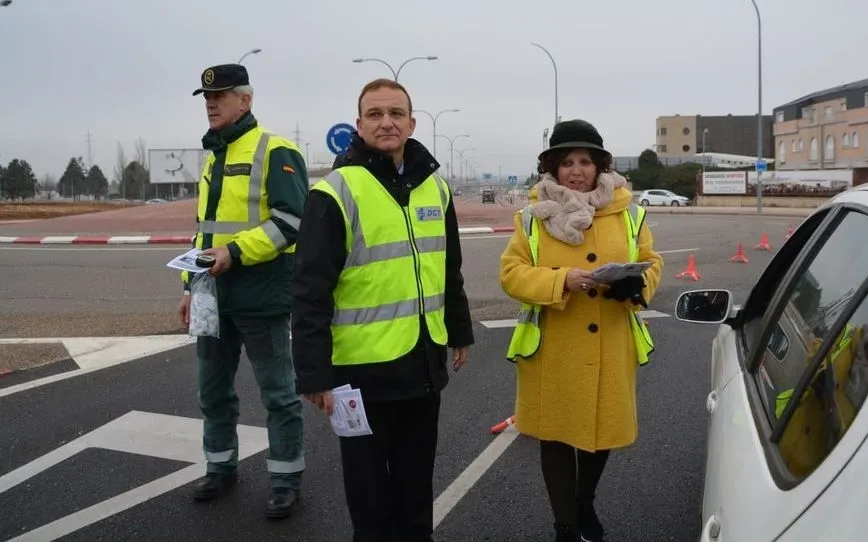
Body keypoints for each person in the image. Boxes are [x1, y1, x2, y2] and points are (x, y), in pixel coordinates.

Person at [290, 78, 475, 542]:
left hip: (422, 367)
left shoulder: (436, 188)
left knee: (415, 497)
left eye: (396, 113)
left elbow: (448, 268)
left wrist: (459, 330)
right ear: (359, 125)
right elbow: (309, 290)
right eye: (375, 114)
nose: (386, 122)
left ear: (411, 123)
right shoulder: (335, 192)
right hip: (360, 378)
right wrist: (313, 373)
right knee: (370, 504)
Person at [500, 119, 664, 542]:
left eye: (586, 162)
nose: (576, 171)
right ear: (553, 167)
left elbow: (652, 261)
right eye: (567, 162)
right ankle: (566, 527)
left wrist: (636, 284)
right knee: (555, 436)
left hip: (611, 341)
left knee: (601, 431)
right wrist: (561, 280)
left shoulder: (629, 212)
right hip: (554, 346)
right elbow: (511, 273)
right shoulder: (532, 216)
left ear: (599, 166)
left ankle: (584, 501)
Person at [177, 63, 308, 519]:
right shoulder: (213, 156)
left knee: (278, 394)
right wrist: (190, 286)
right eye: (207, 98)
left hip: (261, 295)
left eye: (221, 96)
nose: (211, 104)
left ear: (245, 100)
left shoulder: (275, 149)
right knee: (212, 392)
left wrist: (234, 252)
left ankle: (286, 480)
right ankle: (220, 468)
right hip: (211, 296)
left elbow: (292, 222)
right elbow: (204, 230)